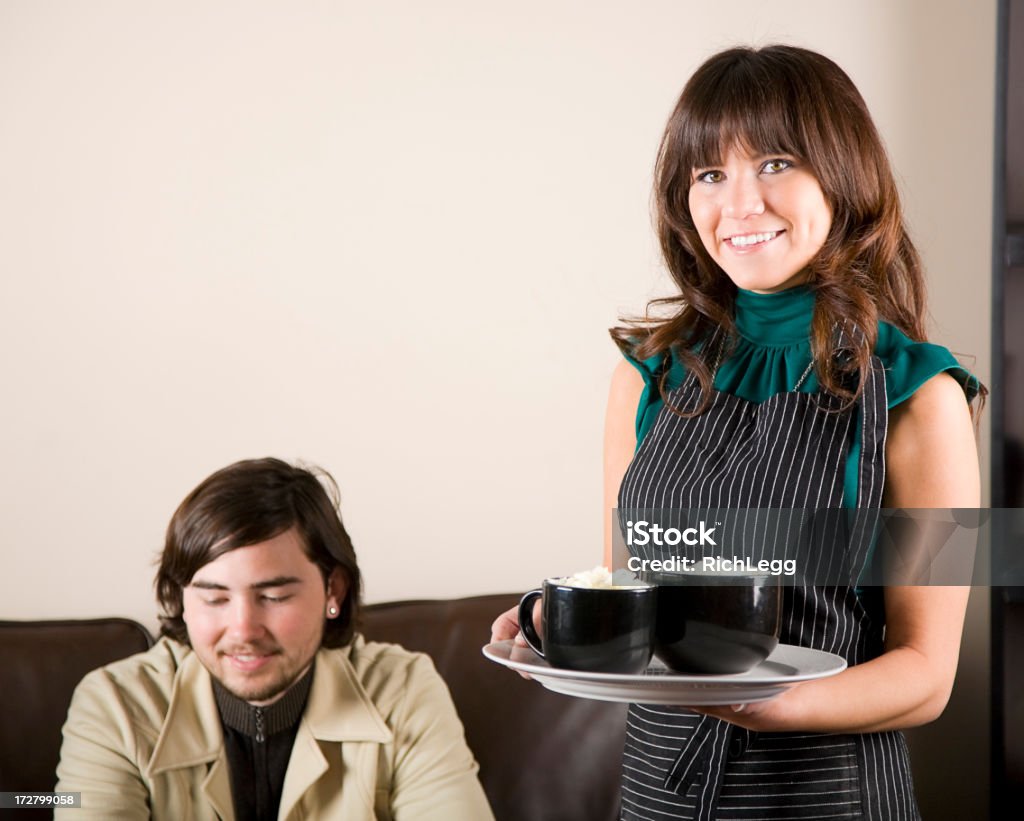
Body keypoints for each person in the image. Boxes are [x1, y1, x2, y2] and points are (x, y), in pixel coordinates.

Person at [492, 45, 982, 819]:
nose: (740, 204)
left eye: (776, 162)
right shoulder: (646, 376)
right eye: (710, 175)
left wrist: (768, 704)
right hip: (657, 793)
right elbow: (634, 596)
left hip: (826, 799)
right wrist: (552, 623)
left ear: (843, 172)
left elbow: (927, 673)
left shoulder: (925, 399)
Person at [56, 457, 494, 821]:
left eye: (274, 596)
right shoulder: (113, 705)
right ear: (182, 600)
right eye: (215, 599)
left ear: (333, 591)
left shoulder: (403, 691)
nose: (243, 630)